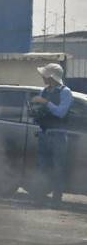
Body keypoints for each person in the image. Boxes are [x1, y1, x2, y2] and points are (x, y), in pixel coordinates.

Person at [30, 63, 73, 206]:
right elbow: (41, 110)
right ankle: (40, 198)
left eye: (45, 75)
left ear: (52, 77)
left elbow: (61, 113)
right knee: (42, 168)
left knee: (57, 168)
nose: (43, 77)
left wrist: (45, 102)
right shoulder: (44, 91)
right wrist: (35, 110)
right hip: (44, 133)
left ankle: (56, 200)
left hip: (58, 136)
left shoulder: (65, 92)